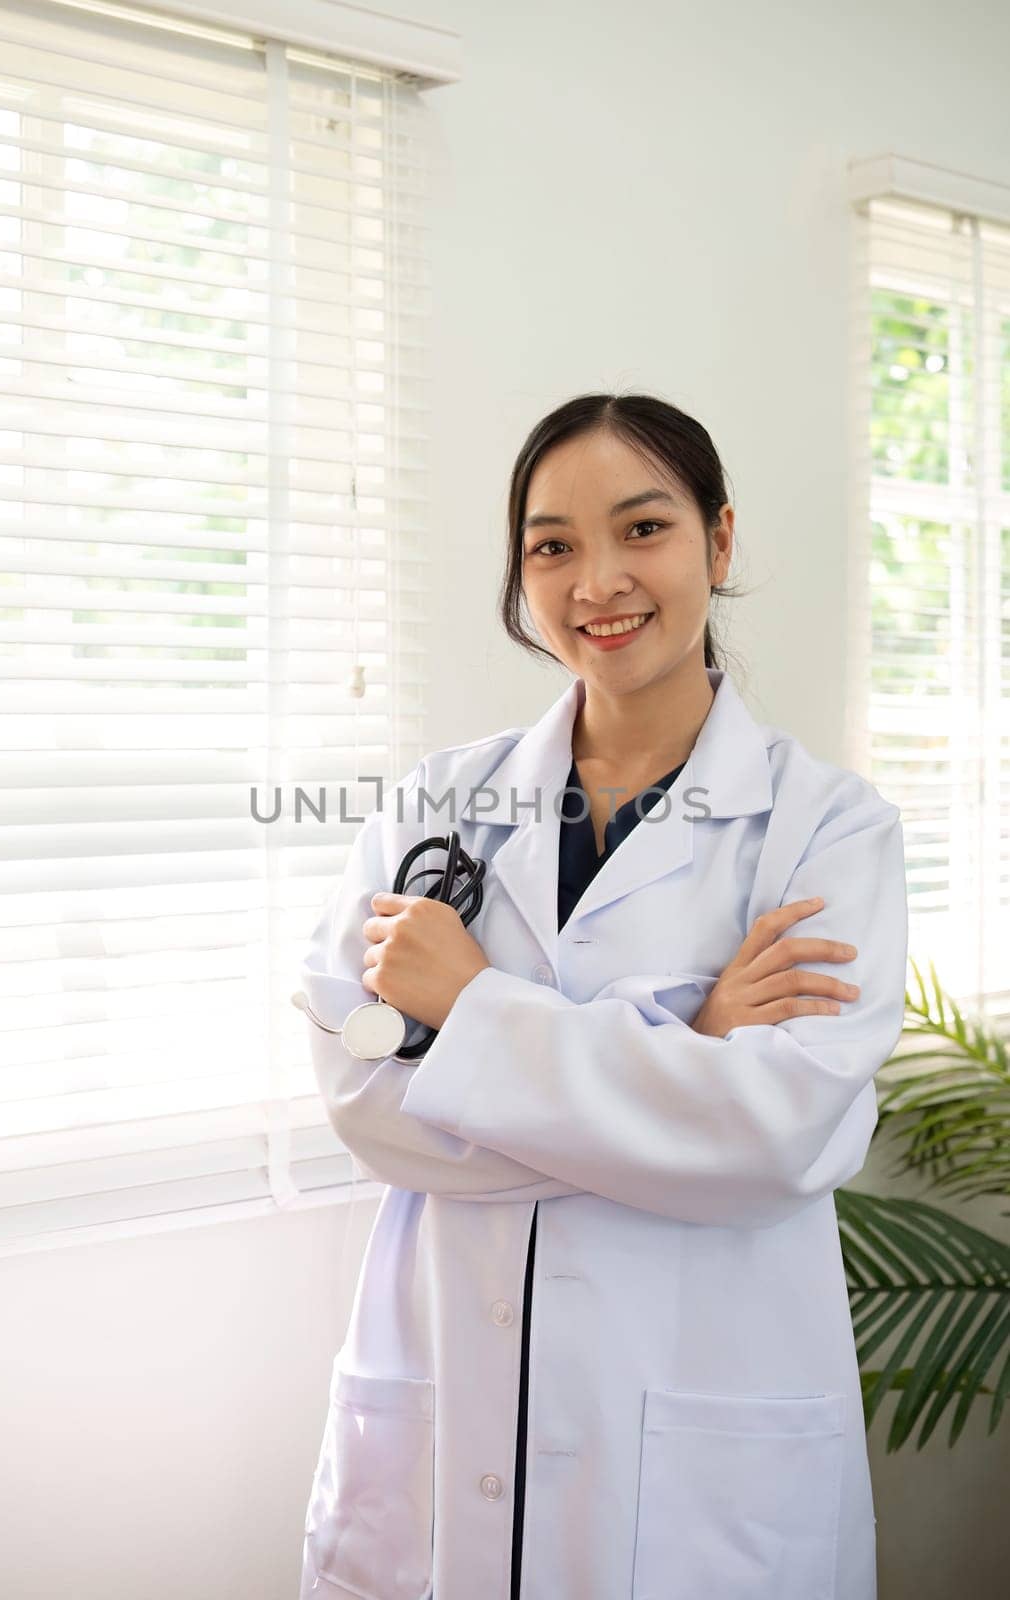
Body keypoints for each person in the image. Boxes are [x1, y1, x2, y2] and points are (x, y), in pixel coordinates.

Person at [296, 393, 908, 1600]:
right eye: (552, 545)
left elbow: (782, 1134)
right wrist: (683, 1051)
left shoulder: (825, 829)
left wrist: (471, 1011)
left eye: (642, 529)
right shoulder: (434, 804)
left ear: (717, 543)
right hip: (444, 1404)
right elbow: (363, 1092)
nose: (598, 581)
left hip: (701, 1451)